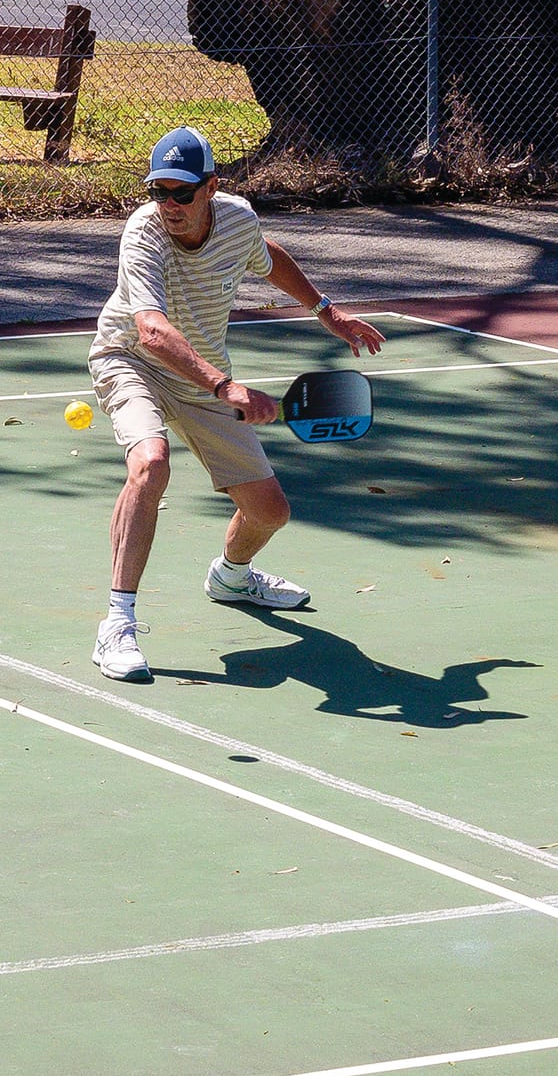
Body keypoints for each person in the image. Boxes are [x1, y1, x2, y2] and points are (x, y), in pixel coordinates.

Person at [87, 126, 387, 683]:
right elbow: (151, 332)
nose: (169, 204)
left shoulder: (237, 219)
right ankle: (117, 624)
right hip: (130, 361)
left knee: (270, 511)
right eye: (159, 191)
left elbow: (266, 257)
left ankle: (231, 576)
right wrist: (225, 387)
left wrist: (328, 311)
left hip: (200, 376)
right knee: (150, 464)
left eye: (182, 192)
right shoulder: (143, 233)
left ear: (210, 188)